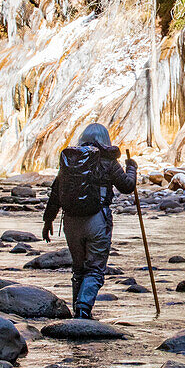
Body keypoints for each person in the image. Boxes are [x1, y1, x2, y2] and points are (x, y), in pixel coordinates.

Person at [42, 123, 137, 319]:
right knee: (94, 268)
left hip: (70, 221)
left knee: (79, 268)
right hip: (97, 220)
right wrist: (132, 168)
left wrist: (48, 221)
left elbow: (56, 193)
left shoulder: (70, 161)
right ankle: (83, 310)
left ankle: (78, 308)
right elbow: (127, 186)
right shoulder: (108, 161)